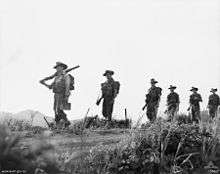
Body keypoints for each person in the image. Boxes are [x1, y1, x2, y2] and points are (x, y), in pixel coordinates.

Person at [39, 62, 72, 127]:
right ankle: (58, 124)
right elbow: (50, 87)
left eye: (58, 67)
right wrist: (44, 83)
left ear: (62, 67)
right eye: (56, 67)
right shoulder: (56, 78)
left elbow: (67, 86)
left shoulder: (66, 76)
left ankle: (66, 122)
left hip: (62, 94)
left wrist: (66, 95)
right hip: (56, 95)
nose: (57, 68)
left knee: (59, 109)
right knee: (55, 109)